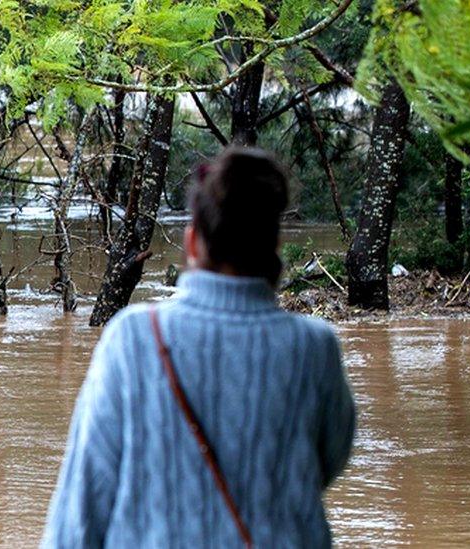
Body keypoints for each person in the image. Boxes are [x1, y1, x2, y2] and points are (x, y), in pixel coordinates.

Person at [43, 147, 355, 548]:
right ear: (274, 244)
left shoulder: (134, 339)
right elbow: (328, 462)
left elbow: (80, 511)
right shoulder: (314, 348)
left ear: (192, 242)